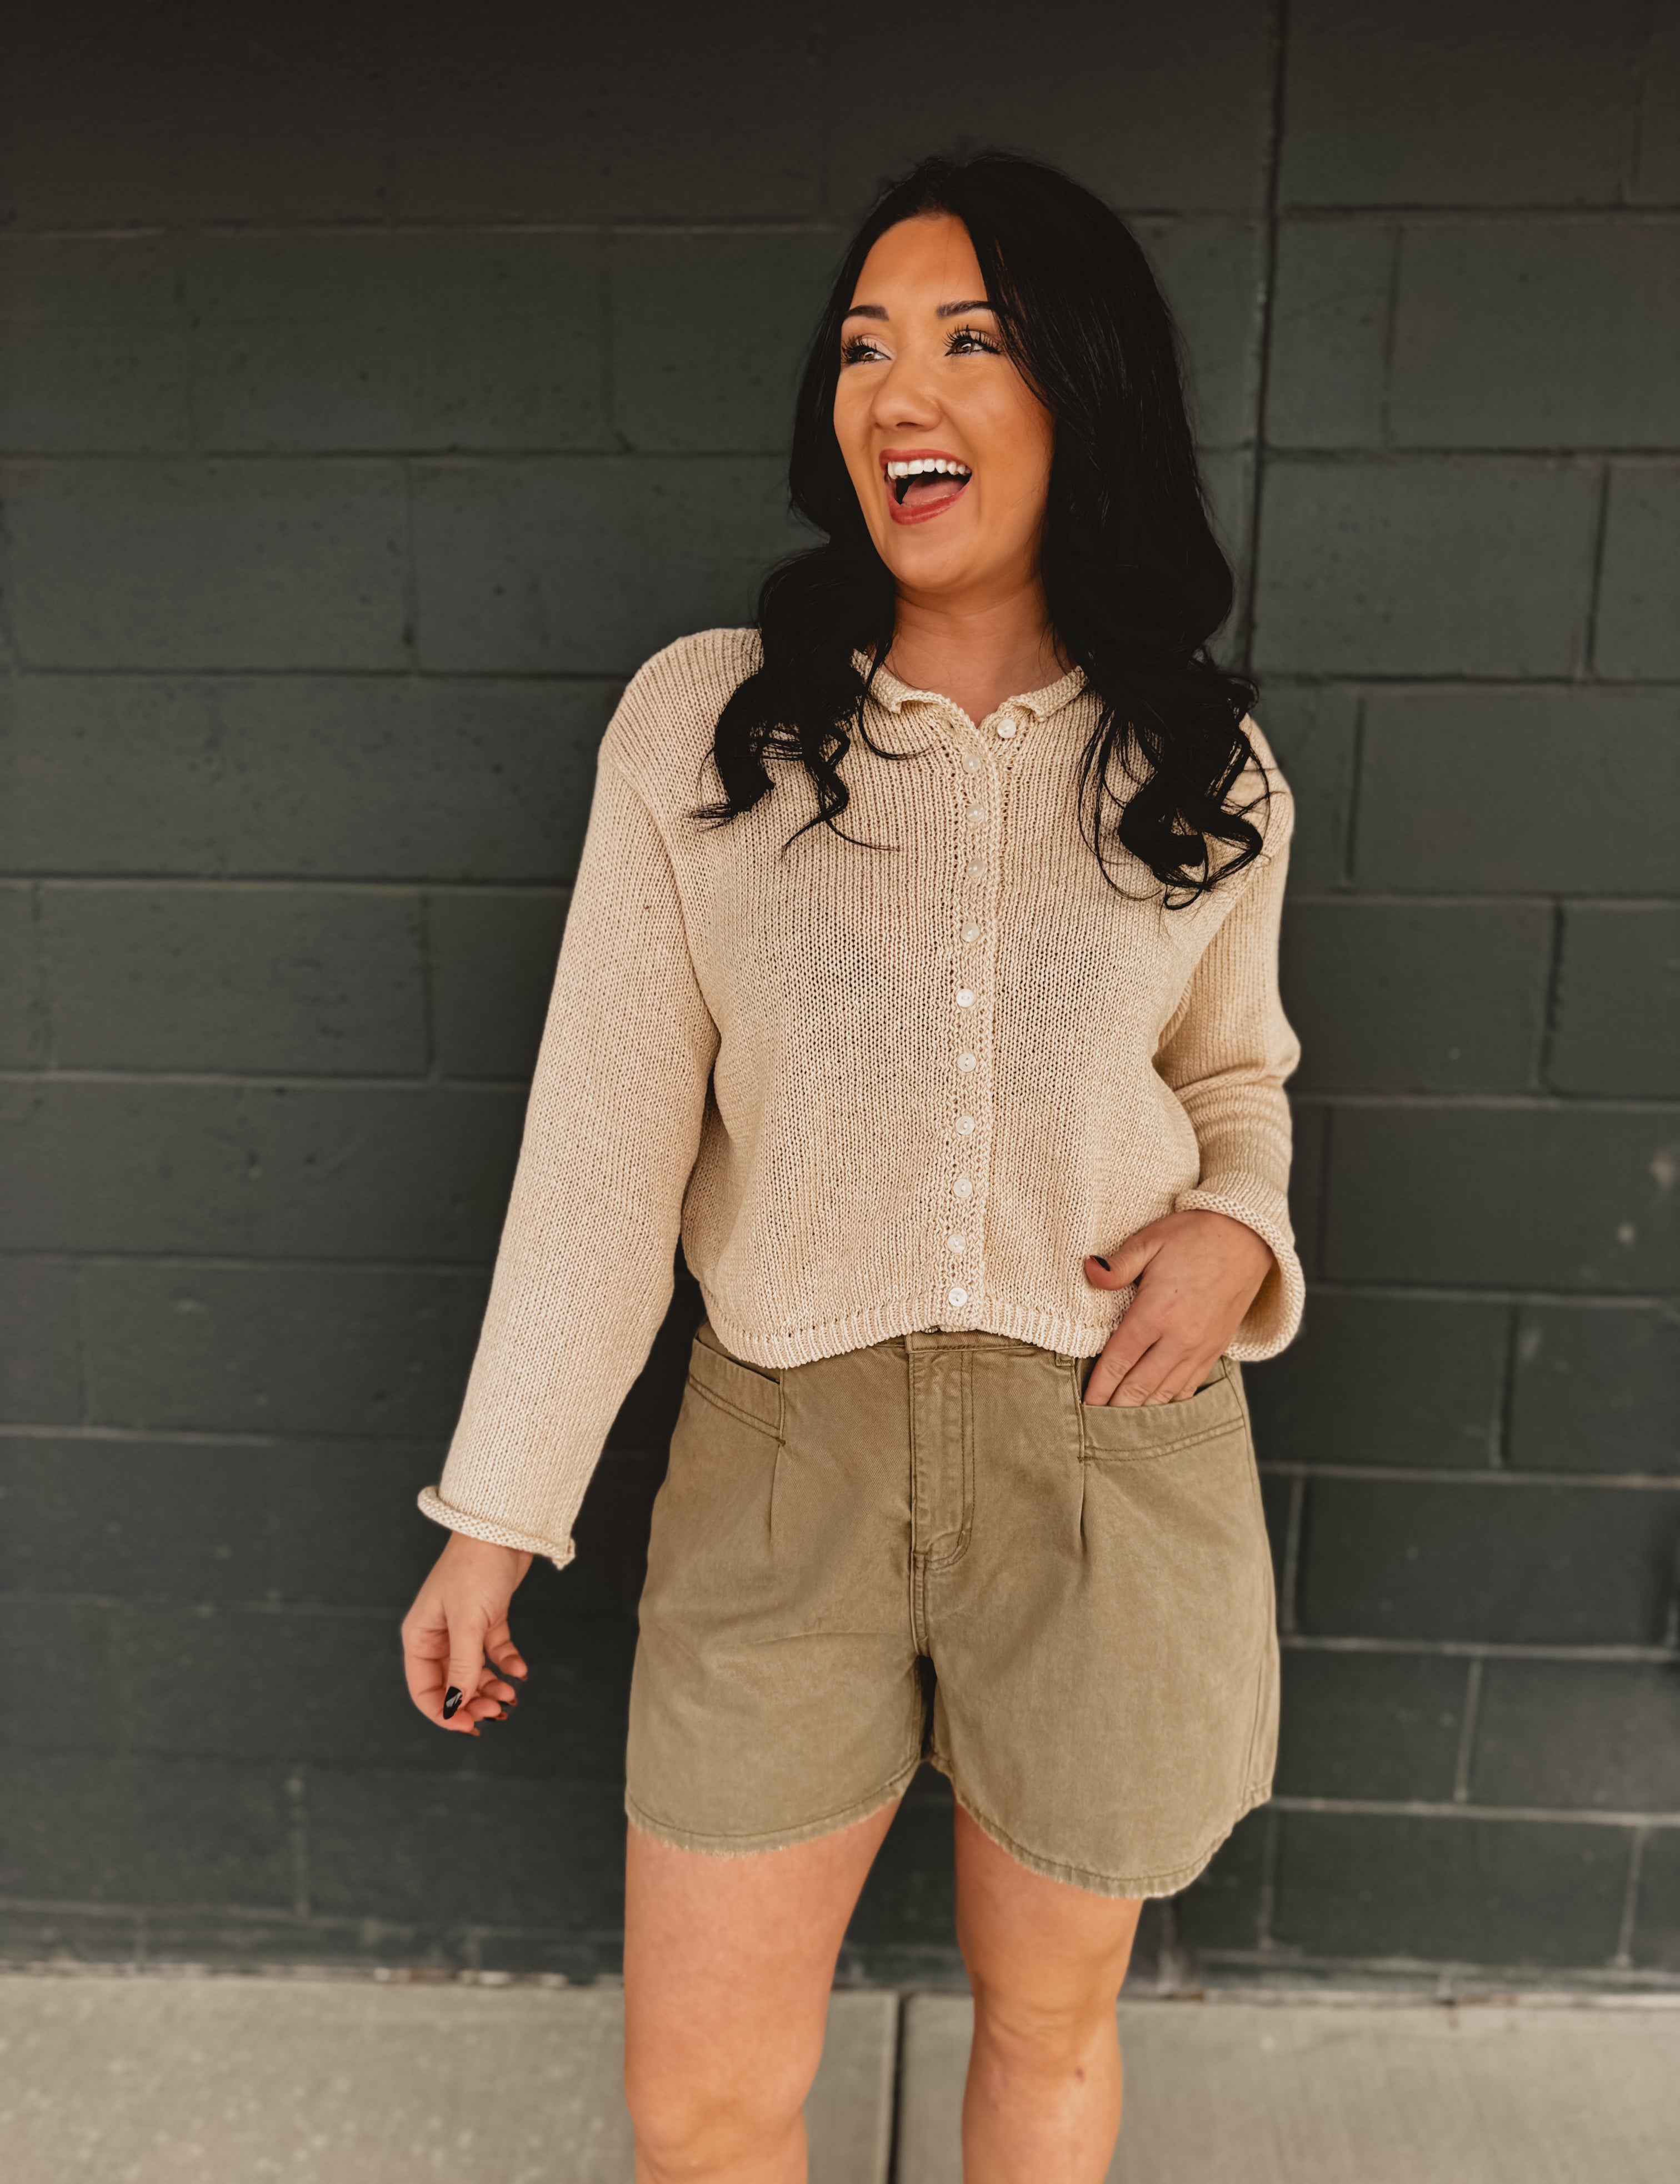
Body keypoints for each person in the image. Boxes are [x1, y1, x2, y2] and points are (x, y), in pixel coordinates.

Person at [401, 150, 1302, 2184]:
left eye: (971, 341)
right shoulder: (708, 724)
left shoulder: (1202, 765)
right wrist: (498, 1516)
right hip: (781, 1466)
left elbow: (1237, 1077)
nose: (900, 390)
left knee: (1050, 2032)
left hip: (1107, 1455)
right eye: (865, 346)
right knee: (703, 2104)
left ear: (1083, 390)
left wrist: (1237, 1231)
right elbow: (601, 1153)